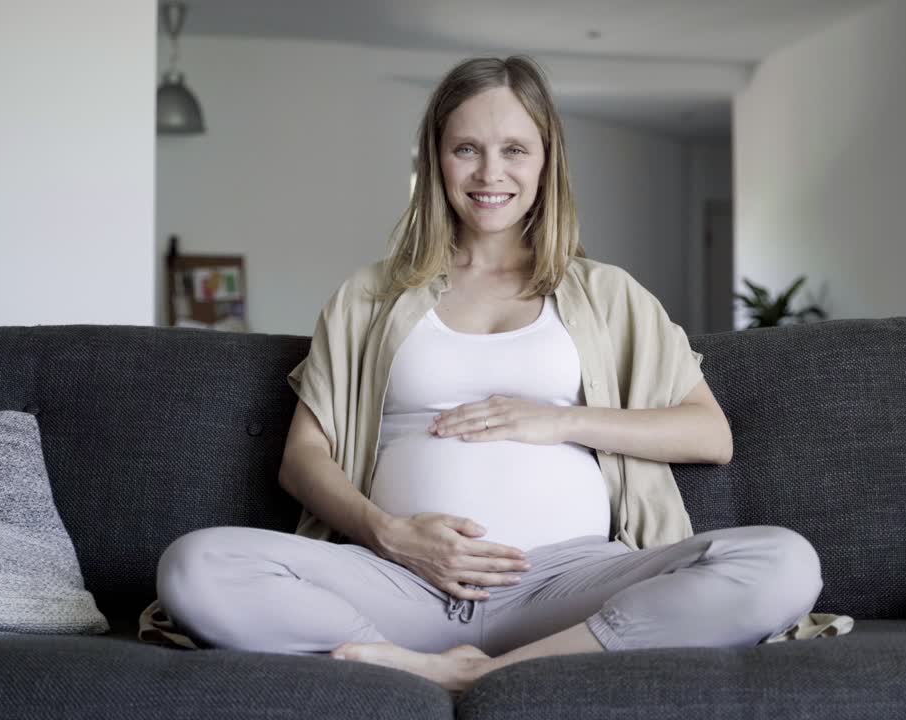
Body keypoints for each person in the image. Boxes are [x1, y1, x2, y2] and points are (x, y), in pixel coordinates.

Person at [154, 55, 823, 694]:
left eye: (514, 149)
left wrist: (558, 420)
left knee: (783, 562)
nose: (488, 172)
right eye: (466, 148)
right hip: (400, 579)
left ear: (546, 160)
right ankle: (418, 658)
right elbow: (302, 460)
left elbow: (710, 434)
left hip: (567, 584)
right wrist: (390, 534)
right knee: (195, 566)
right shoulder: (369, 296)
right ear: (436, 157)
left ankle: (483, 671)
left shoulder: (608, 294)